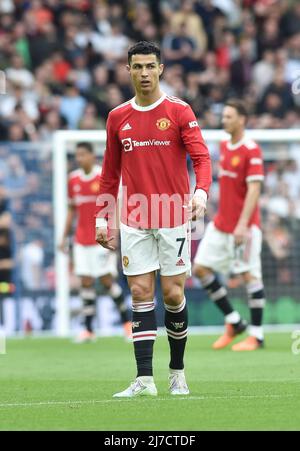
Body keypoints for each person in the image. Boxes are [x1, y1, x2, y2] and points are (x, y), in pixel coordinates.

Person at [95, 41, 212, 397]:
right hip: (134, 216)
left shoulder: (178, 111)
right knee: (140, 293)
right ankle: (144, 379)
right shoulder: (117, 117)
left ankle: (177, 371)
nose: (144, 73)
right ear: (128, 70)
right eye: (137, 67)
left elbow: (202, 158)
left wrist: (201, 192)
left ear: (161, 69)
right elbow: (109, 172)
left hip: (173, 214)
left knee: (173, 295)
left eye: (150, 66)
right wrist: (102, 217)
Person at [193, 99, 265, 351]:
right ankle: (234, 321)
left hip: (243, 228)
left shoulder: (251, 149)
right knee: (200, 269)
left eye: (228, 117)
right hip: (221, 225)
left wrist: (243, 225)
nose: (223, 121)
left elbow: (254, 189)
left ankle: (256, 335)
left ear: (242, 119)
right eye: (223, 116)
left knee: (249, 275)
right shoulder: (224, 145)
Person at [59, 142, 131, 342]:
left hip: (102, 238)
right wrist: (63, 237)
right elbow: (71, 210)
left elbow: (115, 205)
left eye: (83, 154)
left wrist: (114, 233)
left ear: (92, 156)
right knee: (86, 282)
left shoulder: (102, 177)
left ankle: (127, 325)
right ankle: (89, 330)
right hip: (81, 240)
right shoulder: (72, 180)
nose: (80, 158)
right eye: (77, 155)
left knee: (107, 280)